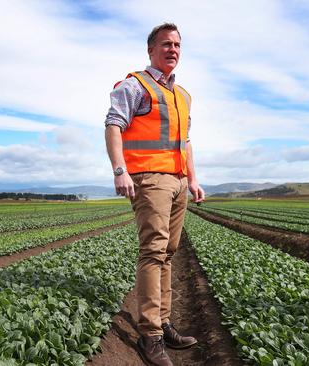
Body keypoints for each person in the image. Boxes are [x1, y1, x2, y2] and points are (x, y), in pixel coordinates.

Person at [104, 22, 205, 366]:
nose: (172, 50)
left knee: (168, 253)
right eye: (165, 44)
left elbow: (185, 142)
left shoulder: (183, 95)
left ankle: (163, 321)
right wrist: (120, 170)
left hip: (177, 182)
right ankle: (150, 334)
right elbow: (113, 124)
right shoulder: (135, 85)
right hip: (149, 178)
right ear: (151, 50)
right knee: (153, 251)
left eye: (177, 45)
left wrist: (192, 179)